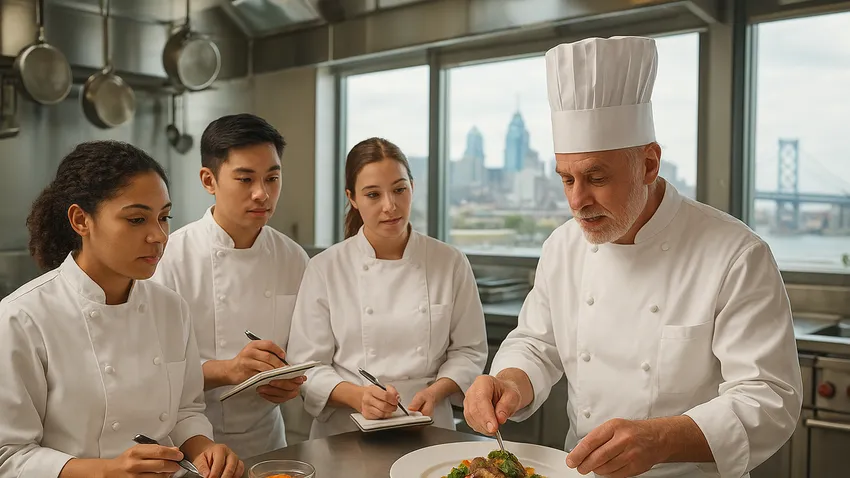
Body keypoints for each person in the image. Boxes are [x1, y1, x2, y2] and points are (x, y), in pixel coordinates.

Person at [463, 36, 803, 478]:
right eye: (566, 179)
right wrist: (510, 382)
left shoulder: (735, 254)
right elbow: (537, 343)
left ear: (648, 163)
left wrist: (661, 438)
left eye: (596, 177)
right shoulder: (563, 247)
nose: (577, 201)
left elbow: (769, 396)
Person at [0, 140, 243, 477]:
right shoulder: (23, 318)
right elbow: (9, 455)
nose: (158, 236)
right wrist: (106, 470)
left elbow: (187, 409)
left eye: (163, 217)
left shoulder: (170, 308)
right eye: (136, 220)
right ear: (81, 220)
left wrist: (205, 448)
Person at [286, 137, 488, 438]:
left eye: (399, 189)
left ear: (413, 187)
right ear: (352, 198)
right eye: (373, 195)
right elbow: (307, 366)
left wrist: (435, 392)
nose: (390, 206)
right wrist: (359, 396)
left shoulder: (450, 262)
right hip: (346, 431)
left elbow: (469, 350)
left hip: (429, 426)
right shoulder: (326, 268)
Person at [151, 114, 310, 458]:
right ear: (209, 180)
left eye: (272, 178)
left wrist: (292, 382)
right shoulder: (170, 258)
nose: (262, 194)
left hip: (268, 440)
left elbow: (306, 348)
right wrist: (229, 370)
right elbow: (154, 370)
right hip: (187, 446)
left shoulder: (293, 258)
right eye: (245, 179)